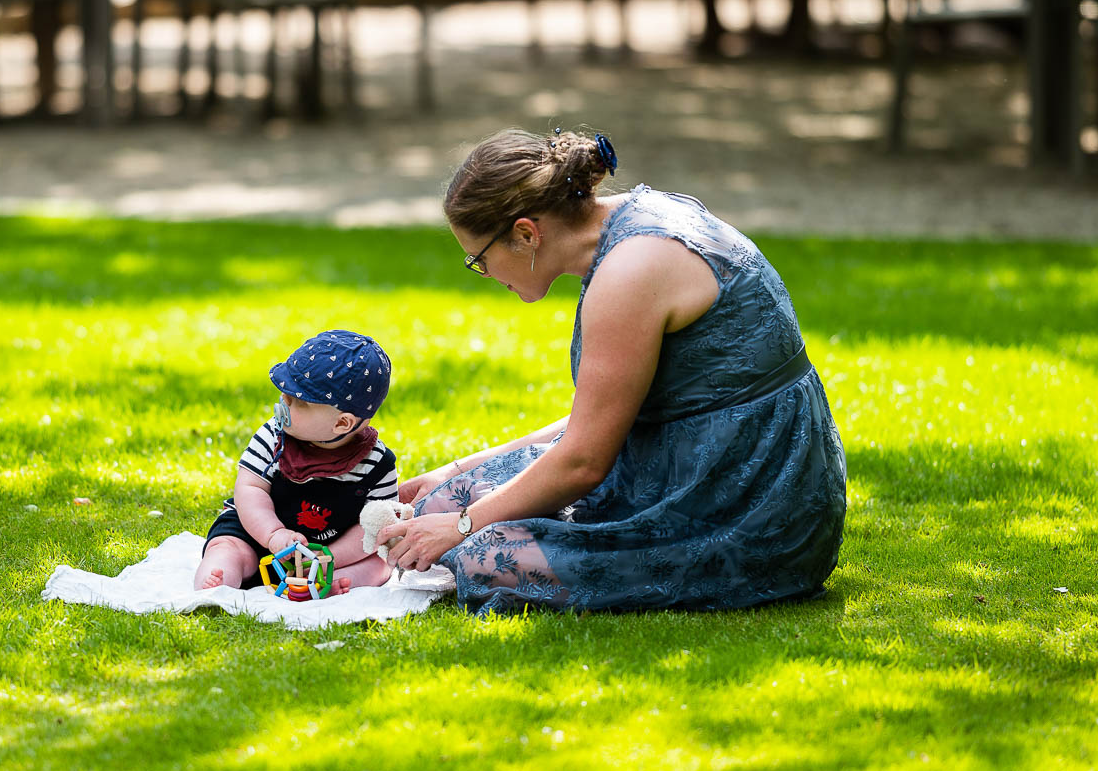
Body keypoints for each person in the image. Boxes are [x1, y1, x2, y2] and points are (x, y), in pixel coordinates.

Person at [380, 127, 846, 614]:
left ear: (525, 233)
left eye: (480, 259)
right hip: (680, 461)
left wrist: (462, 527)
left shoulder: (630, 271)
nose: (487, 275)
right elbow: (600, 418)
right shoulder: (626, 226)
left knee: (481, 555)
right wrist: (458, 471)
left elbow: (584, 462)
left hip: (747, 504)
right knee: (437, 504)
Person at [194, 330, 399, 594]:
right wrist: (273, 535)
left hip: (333, 547)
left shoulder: (378, 464)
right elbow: (249, 489)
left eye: (296, 401)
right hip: (258, 533)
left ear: (342, 423)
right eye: (284, 393)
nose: (282, 402)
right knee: (228, 546)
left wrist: (328, 558)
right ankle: (219, 580)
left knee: (379, 561)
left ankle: (328, 582)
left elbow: (373, 526)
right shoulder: (273, 436)